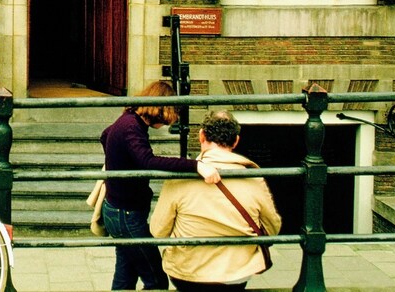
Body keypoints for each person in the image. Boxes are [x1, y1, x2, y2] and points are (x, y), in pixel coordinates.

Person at [100, 81, 221, 290]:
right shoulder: (132, 127)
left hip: (119, 210)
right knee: (155, 278)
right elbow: (148, 161)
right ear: (159, 111)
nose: (166, 125)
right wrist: (195, 165)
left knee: (125, 274)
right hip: (126, 215)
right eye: (166, 119)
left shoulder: (128, 120)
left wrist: (119, 159)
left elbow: (105, 135)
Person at [150, 110, 282, 291]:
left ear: (201, 136)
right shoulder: (253, 178)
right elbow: (272, 226)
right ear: (236, 141)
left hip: (187, 272)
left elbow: (158, 231)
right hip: (236, 272)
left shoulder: (179, 178)